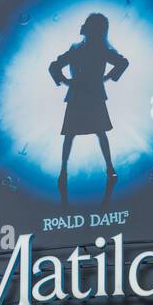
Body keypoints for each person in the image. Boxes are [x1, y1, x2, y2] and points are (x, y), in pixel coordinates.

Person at [48, 12, 129, 205]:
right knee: (88, 133)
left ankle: (69, 170)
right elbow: (54, 66)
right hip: (86, 93)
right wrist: (67, 81)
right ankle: (74, 169)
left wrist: (68, 81)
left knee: (80, 133)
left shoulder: (92, 50)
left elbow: (122, 62)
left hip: (85, 94)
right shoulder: (89, 49)